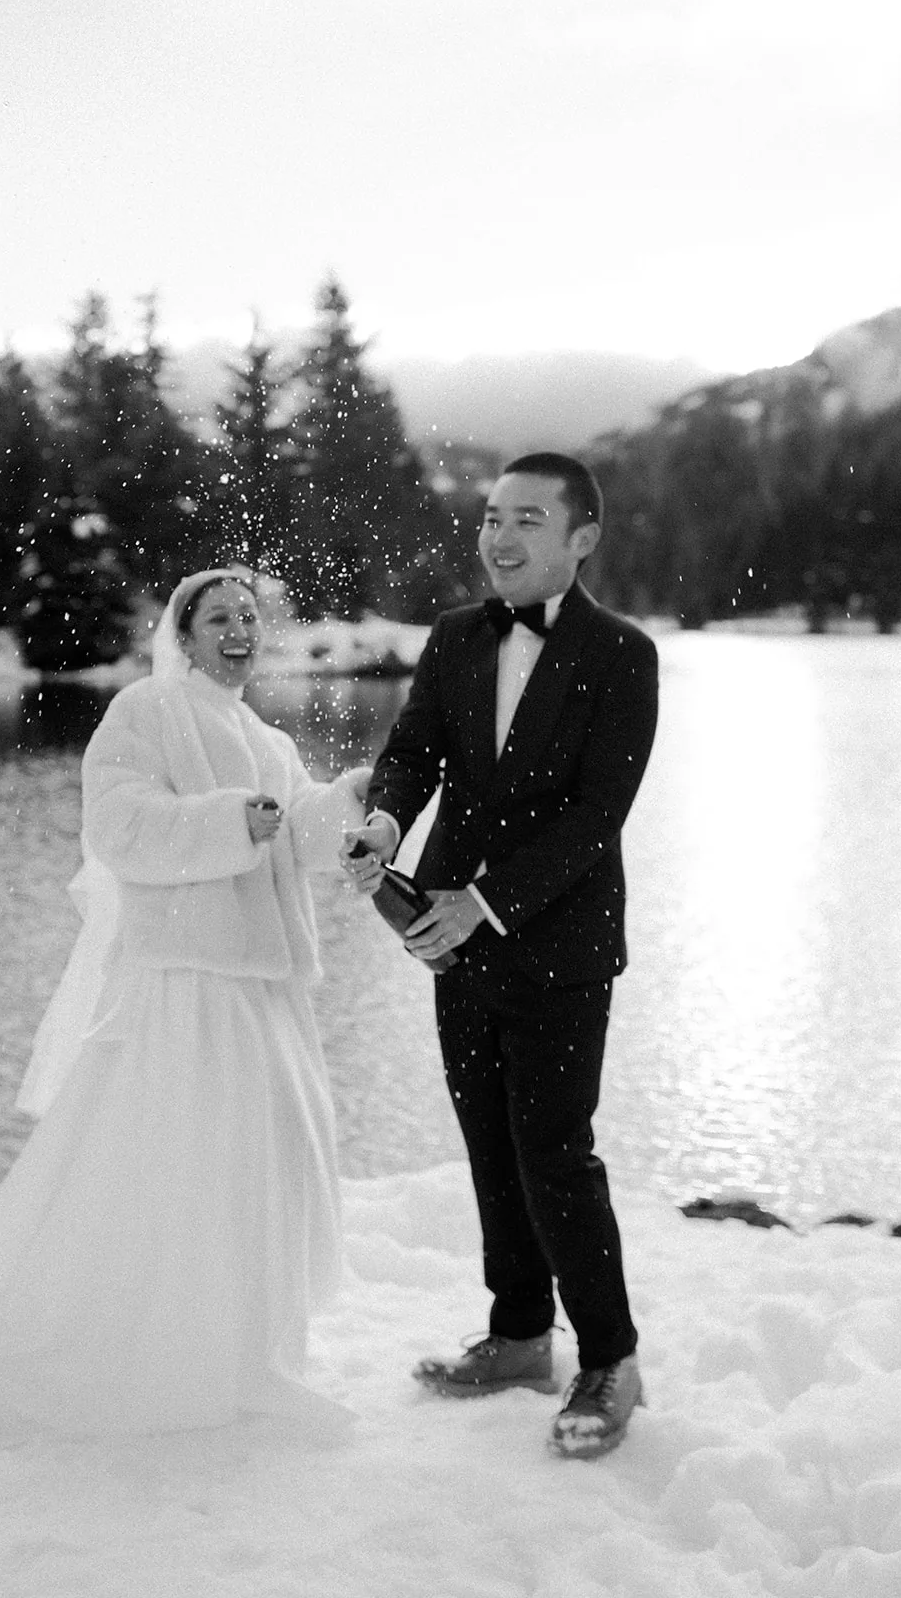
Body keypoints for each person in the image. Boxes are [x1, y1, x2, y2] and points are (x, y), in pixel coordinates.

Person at [0, 570, 370, 1448]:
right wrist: (233, 818)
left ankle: (249, 1352)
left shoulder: (267, 736)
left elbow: (296, 835)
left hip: (263, 986)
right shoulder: (144, 715)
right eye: (217, 618)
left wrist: (343, 810)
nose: (238, 630)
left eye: (248, 616)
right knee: (184, 1164)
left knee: (265, 1159)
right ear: (184, 635)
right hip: (184, 980)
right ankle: (156, 1350)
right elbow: (120, 829)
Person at [343, 454, 658, 1459]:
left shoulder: (622, 653)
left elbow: (593, 816)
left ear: (581, 537)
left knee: (555, 1155)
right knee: (489, 1146)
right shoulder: (451, 638)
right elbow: (412, 752)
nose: (499, 536)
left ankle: (608, 1358)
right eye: (489, 517)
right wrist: (384, 826)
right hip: (448, 936)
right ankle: (520, 1336)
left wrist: (479, 902)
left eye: (527, 517)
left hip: (556, 949)